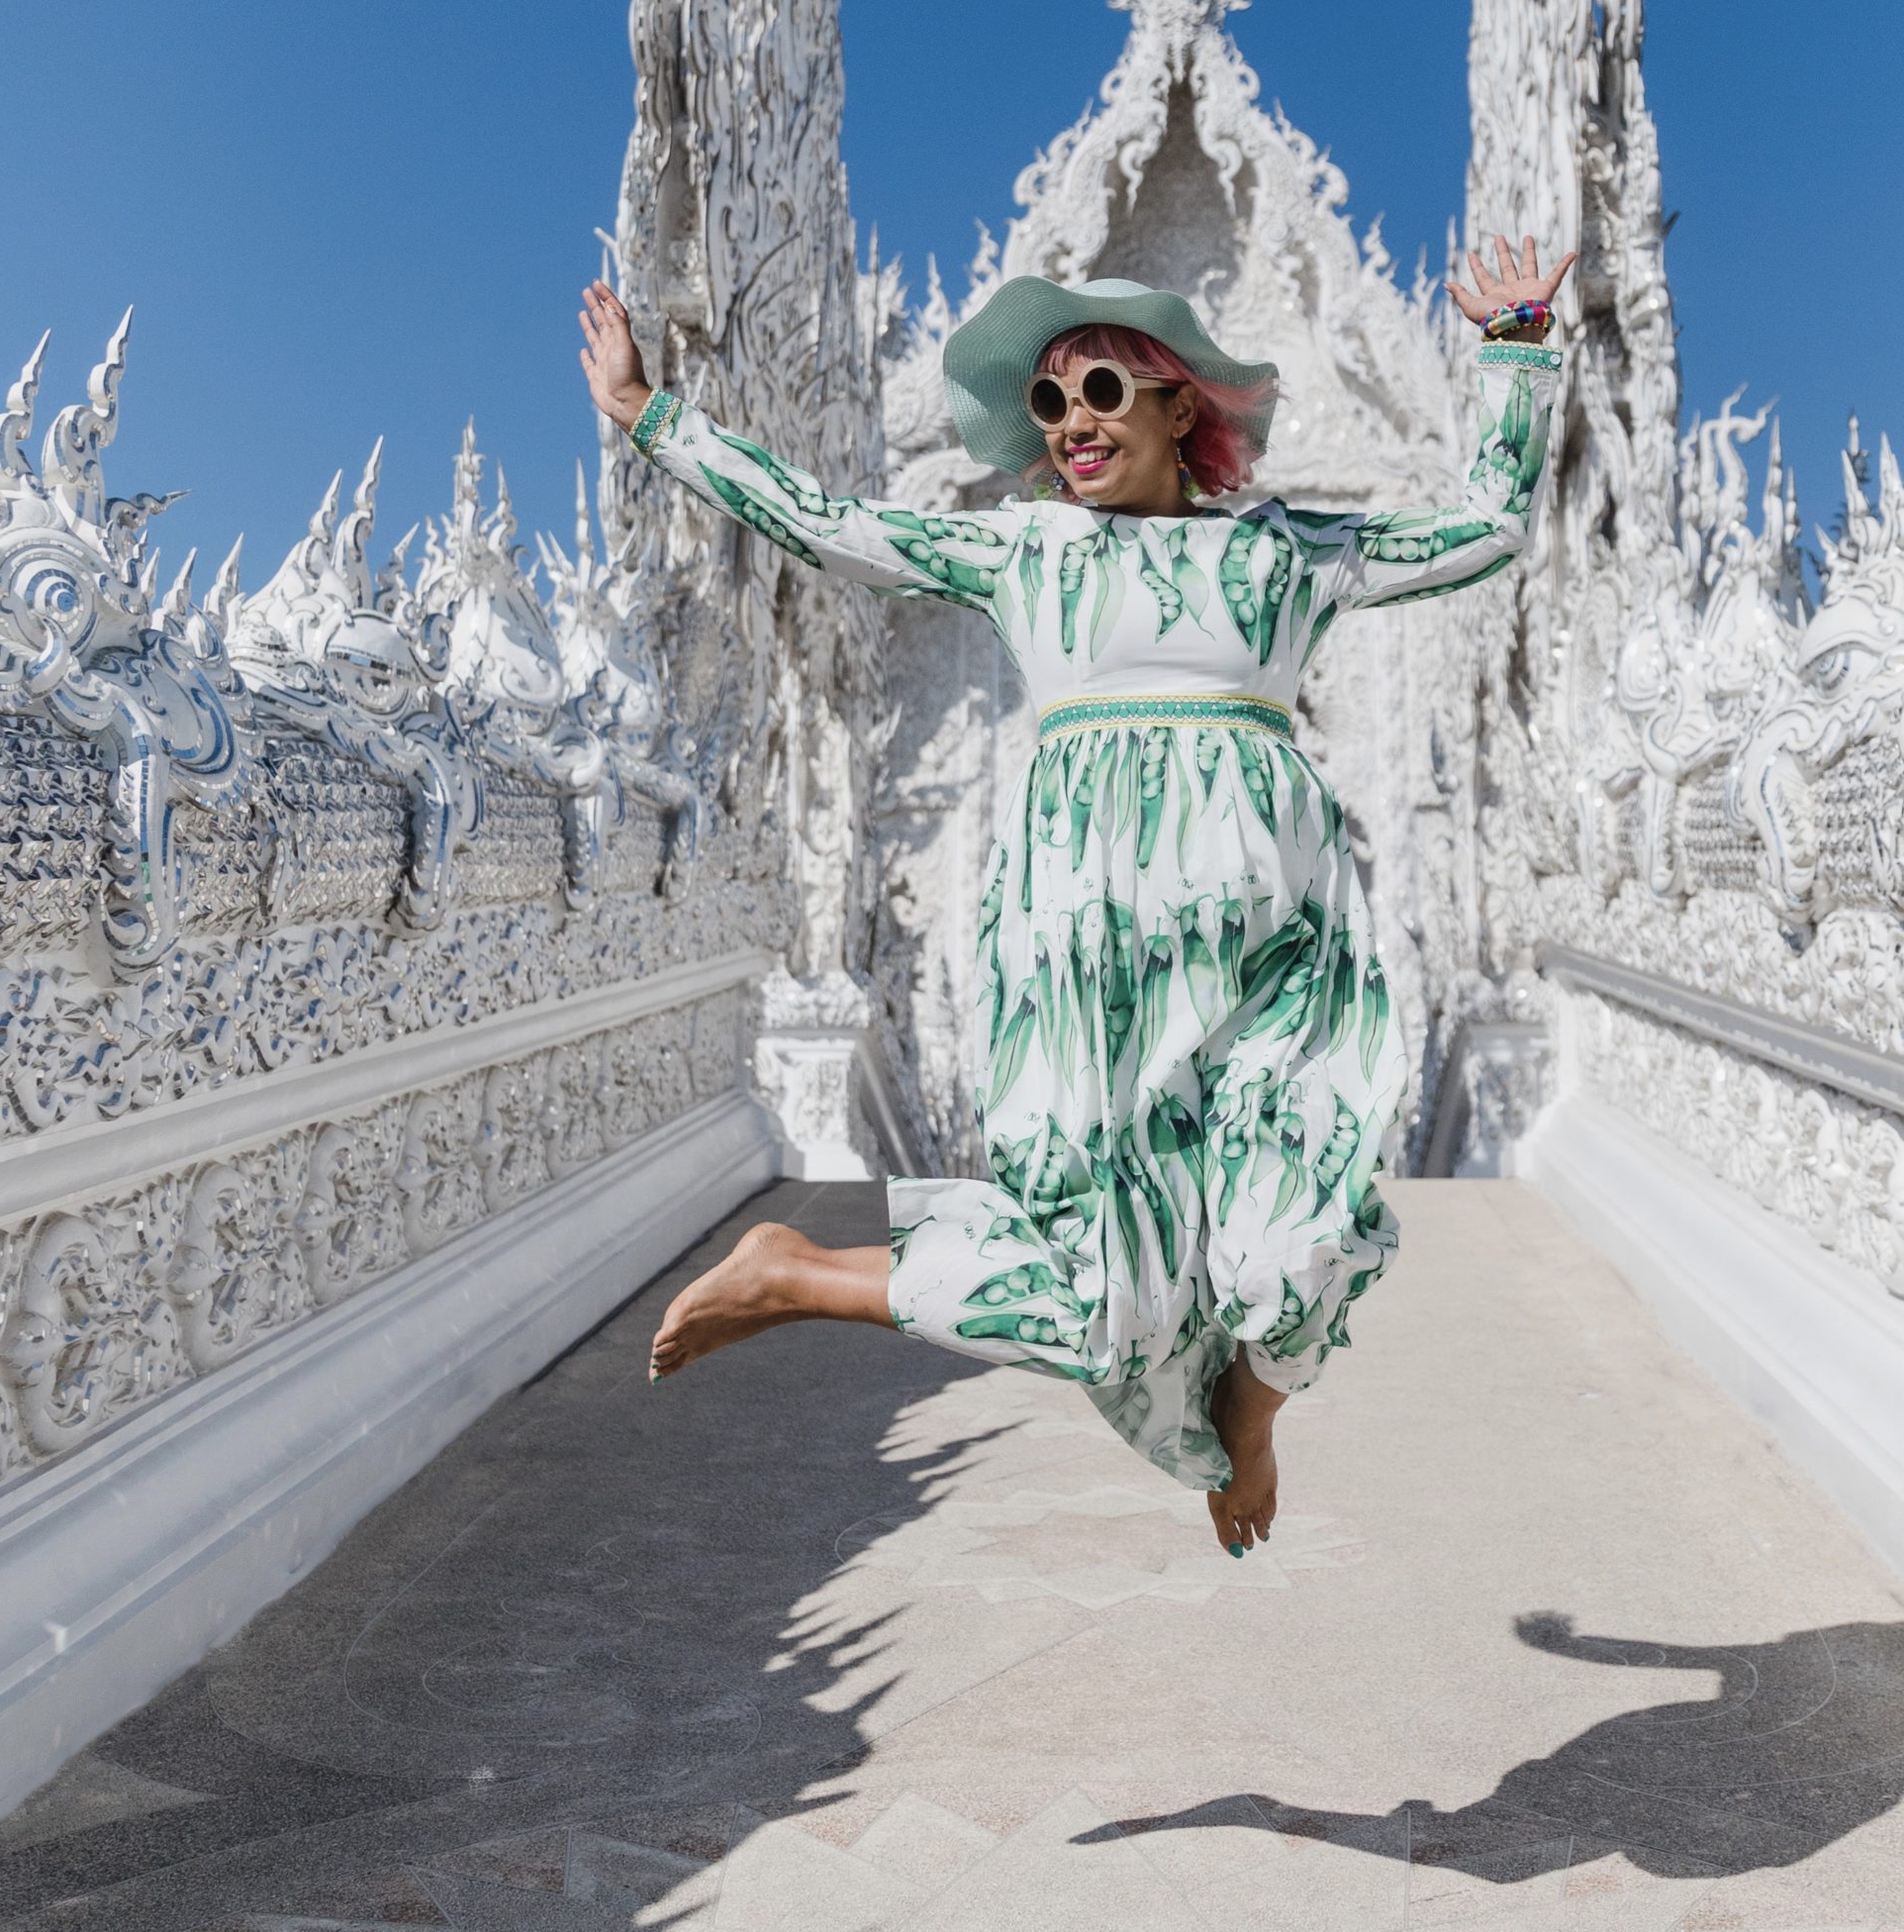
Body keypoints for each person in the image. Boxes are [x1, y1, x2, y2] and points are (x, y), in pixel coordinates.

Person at [577, 239, 1570, 1555]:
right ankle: (798, 1277)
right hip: (1085, 960)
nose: (1074, 424)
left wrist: (1516, 348)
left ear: (1179, 404)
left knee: (1313, 1233)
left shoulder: (1284, 559)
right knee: (1102, 1294)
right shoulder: (1022, 555)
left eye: (1101, 388)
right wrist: (657, 419)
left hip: (1279, 952)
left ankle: (1253, 1414)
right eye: (1049, 406)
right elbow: (833, 526)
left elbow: (1485, 529)